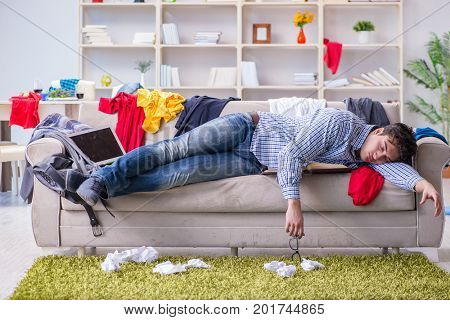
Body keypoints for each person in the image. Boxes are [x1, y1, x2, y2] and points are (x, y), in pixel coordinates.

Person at [76, 108, 443, 238]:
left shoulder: (365, 156)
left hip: (250, 162)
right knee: (173, 150)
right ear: (377, 131)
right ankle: (102, 178)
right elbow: (293, 154)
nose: (378, 159)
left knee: (176, 176)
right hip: (246, 129)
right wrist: (293, 204)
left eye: (384, 158)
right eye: (381, 149)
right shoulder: (339, 123)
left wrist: (423, 181)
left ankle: (97, 188)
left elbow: (395, 168)